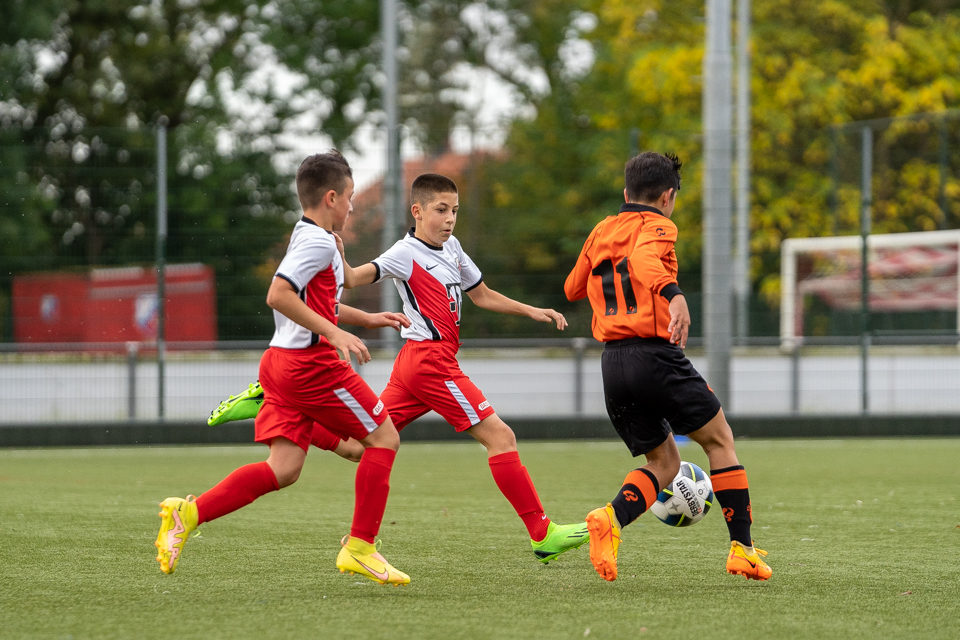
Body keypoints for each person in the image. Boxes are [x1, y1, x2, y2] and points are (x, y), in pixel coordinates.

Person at [210, 173, 590, 564]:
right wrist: (340, 255)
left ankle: (273, 405)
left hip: (416, 366)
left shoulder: (453, 247)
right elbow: (354, 279)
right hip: (431, 363)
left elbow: (482, 294)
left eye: (455, 211)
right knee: (501, 437)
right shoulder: (405, 253)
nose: (449, 220)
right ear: (418, 210)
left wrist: (531, 310)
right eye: (441, 210)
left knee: (360, 447)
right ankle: (542, 533)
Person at [155, 150, 412, 586]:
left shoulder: (310, 235)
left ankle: (189, 513)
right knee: (384, 437)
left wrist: (365, 319)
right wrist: (332, 334)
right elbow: (278, 295)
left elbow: (317, 299)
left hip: (280, 364)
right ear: (331, 197)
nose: (352, 205)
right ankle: (360, 548)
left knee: (288, 467)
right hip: (310, 368)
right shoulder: (315, 242)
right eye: (349, 197)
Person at [563, 151, 772, 582]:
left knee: (665, 463)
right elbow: (642, 262)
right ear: (668, 196)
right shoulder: (659, 224)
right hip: (653, 355)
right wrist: (673, 293)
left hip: (613, 364)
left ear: (625, 193)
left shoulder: (602, 228)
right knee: (719, 441)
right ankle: (743, 550)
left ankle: (610, 519)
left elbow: (572, 288)